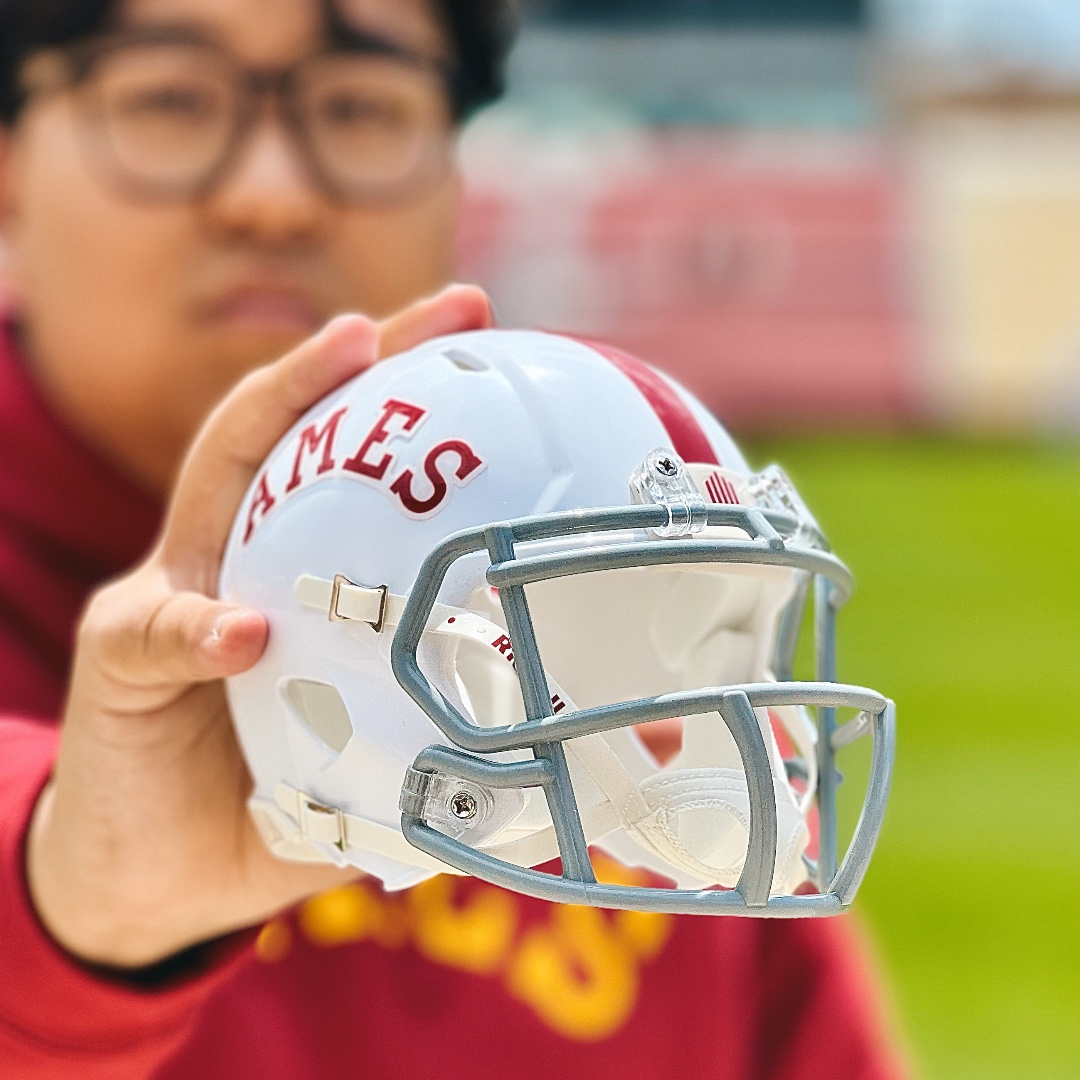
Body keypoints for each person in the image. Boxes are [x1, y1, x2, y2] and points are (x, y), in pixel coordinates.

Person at [0, 0, 906, 1076]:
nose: (274, 195)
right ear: (8, 162)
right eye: (169, 99)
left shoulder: (600, 590)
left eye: (360, 107)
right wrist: (73, 903)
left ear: (458, 164)